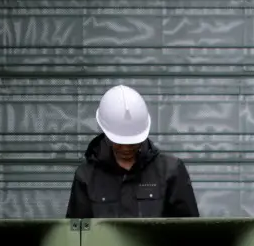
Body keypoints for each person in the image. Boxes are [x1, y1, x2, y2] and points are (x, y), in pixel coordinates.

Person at [65, 85, 200, 218]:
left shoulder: (170, 171)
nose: (126, 148)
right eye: (120, 142)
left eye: (133, 142)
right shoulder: (87, 176)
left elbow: (189, 232)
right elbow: (77, 234)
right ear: (106, 132)